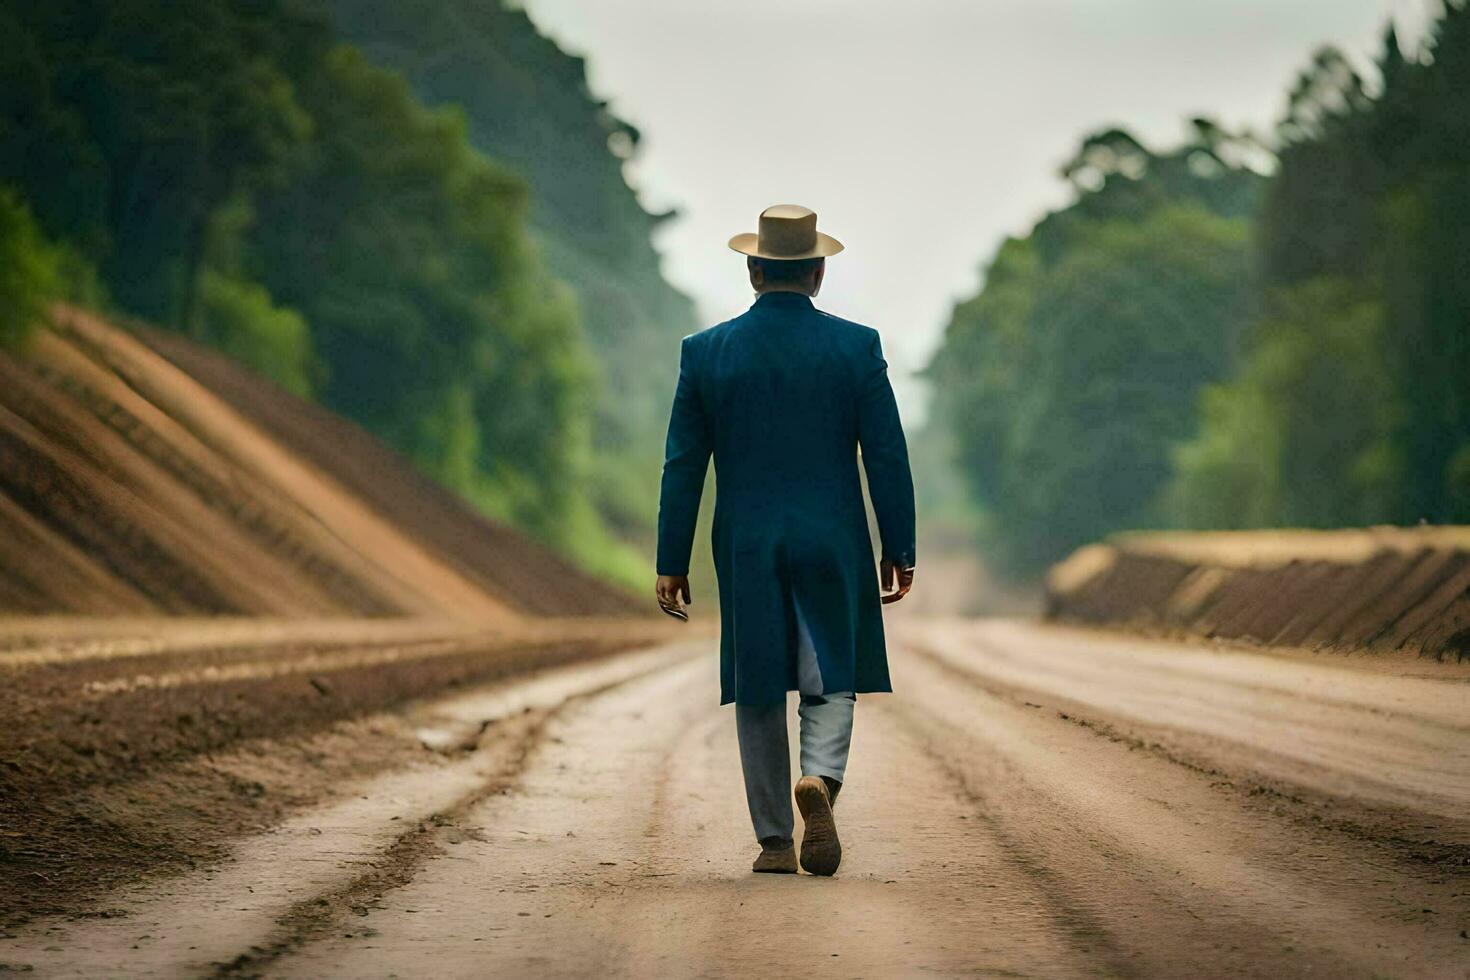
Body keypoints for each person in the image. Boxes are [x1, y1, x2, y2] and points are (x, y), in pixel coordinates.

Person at [654, 204, 916, 877]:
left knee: (759, 682)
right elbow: (886, 456)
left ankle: (774, 840)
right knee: (832, 676)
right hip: (832, 539)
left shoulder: (705, 353)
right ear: (818, 273)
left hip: (747, 543)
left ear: (753, 269)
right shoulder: (857, 347)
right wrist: (899, 547)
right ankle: (820, 781)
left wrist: (671, 559)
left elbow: (684, 463)